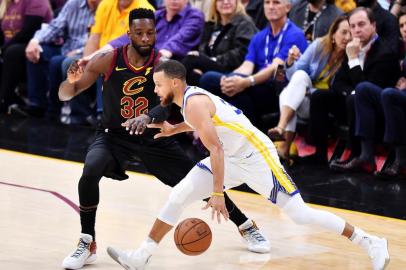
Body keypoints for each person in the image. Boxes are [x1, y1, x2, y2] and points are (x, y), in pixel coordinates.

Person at [106, 59, 390, 270]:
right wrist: (174, 129)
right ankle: (142, 255)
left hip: (256, 157)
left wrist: (217, 193)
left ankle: (370, 241)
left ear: (175, 84)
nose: (155, 90)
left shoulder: (192, 102)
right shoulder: (188, 101)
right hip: (231, 157)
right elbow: (209, 128)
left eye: (158, 84)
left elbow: (214, 147)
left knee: (300, 215)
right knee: (179, 194)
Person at [59, 8, 269, 270]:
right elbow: (68, 94)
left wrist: (146, 118)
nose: (146, 38)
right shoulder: (108, 59)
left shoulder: (162, 65)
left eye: (150, 33)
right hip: (114, 137)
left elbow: (168, 105)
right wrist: (70, 82)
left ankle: (246, 225)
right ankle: (87, 242)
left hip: (154, 137)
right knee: (90, 171)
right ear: (129, 34)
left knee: (197, 185)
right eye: (139, 33)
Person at [199, 0, 307, 128]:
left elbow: (276, 68)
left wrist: (247, 81)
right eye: (267, 3)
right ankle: (242, 134)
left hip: (280, 88)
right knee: (212, 80)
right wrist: (232, 78)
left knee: (238, 90)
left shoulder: (295, 34)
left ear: (288, 7)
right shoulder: (260, 36)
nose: (271, 7)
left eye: (276, 3)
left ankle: (248, 136)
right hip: (257, 84)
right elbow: (247, 66)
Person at [267, 15, 351, 164]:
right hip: (302, 96)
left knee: (287, 95)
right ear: (333, 34)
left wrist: (305, 91)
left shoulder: (351, 56)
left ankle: (282, 136)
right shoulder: (319, 45)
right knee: (298, 78)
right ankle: (283, 141)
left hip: (322, 104)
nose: (348, 37)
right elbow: (296, 75)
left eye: (351, 33)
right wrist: (290, 62)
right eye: (344, 32)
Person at [330, 7, 400, 173]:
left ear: (373, 26)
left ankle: (359, 155)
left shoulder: (385, 52)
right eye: (352, 26)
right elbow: (338, 82)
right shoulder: (352, 48)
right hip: (355, 101)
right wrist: (351, 91)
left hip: (383, 108)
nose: (356, 30)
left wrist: (353, 60)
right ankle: (317, 153)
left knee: (357, 95)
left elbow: (367, 90)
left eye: (361, 24)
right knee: (320, 96)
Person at [182, 0, 258, 85]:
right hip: (212, 66)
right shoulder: (211, 25)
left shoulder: (244, 23)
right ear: (215, 4)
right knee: (193, 73)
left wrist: (213, 60)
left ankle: (169, 91)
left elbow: (242, 52)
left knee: (192, 58)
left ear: (237, 2)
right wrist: (202, 64)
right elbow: (203, 49)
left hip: (232, 69)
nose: (225, 2)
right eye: (220, 0)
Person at [0, 0, 53, 113]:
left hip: (37, 45)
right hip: (11, 46)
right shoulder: (5, 3)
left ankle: (5, 100)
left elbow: (30, 30)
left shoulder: (37, 1)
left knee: (12, 52)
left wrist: (3, 49)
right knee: (10, 51)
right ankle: (14, 99)